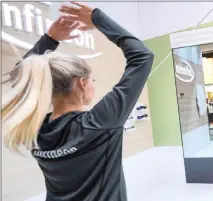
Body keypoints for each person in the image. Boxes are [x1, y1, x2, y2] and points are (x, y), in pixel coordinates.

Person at [1, 3, 154, 201]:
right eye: (92, 80)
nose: (93, 85)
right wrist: (97, 17)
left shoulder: (34, 128)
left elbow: (19, 80)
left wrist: (50, 39)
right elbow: (142, 56)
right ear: (82, 84)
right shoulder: (98, 123)